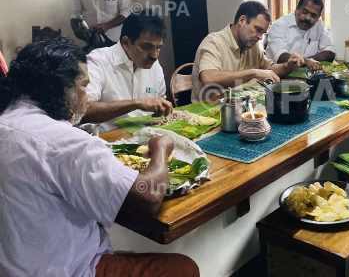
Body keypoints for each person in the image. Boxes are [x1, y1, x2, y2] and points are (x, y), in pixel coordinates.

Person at [0, 38, 199, 277]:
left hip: (15, 264)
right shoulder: (64, 141)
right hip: (65, 270)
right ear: (62, 88)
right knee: (184, 269)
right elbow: (149, 196)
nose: (87, 98)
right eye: (83, 87)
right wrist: (161, 148)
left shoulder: (8, 121)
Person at [191, 1, 304, 102]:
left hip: (242, 106)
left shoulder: (251, 45)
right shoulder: (214, 42)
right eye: (258, 29)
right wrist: (253, 73)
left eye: (263, 33)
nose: (260, 37)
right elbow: (209, 78)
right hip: (208, 111)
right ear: (242, 20)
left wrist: (289, 65)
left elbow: (271, 69)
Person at [81, 12, 173, 132]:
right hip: (110, 141)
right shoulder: (99, 61)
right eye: (146, 47)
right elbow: (83, 110)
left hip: (148, 137)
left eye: (158, 48)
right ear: (126, 43)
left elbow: (160, 105)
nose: (154, 56)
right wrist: (136, 103)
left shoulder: (154, 66)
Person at [266, 0, 335, 71]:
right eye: (304, 12)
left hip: (306, 74)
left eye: (313, 15)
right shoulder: (279, 26)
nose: (308, 18)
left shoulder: (318, 25)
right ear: (297, 9)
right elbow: (280, 56)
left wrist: (310, 61)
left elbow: (330, 52)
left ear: (318, 17)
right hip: (279, 75)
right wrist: (306, 61)